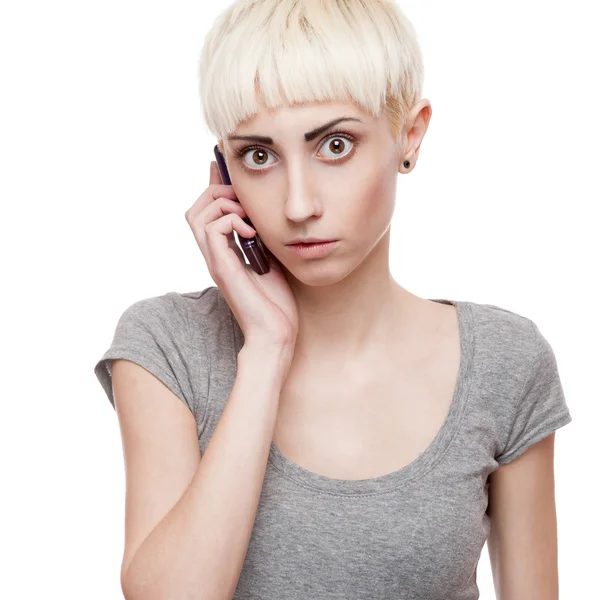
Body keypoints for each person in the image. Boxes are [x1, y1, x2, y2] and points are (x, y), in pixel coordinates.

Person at [94, 1, 573, 598]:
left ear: (411, 135)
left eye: (336, 145)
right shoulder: (168, 346)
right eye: (259, 156)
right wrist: (267, 349)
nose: (298, 205)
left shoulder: (504, 361)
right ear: (224, 172)